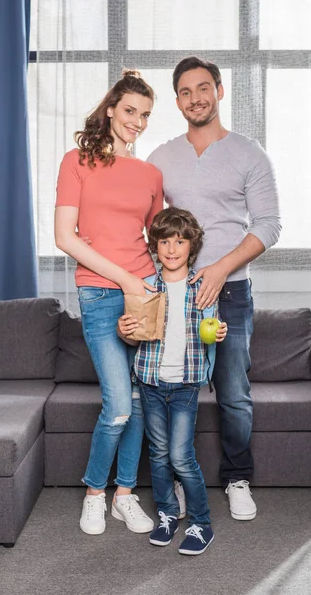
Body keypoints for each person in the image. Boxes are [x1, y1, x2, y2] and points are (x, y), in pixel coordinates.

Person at [146, 57, 282, 522]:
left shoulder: (250, 154)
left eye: (203, 88)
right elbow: (145, 225)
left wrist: (222, 268)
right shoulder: (160, 158)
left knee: (233, 392)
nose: (195, 98)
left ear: (220, 91)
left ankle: (237, 477)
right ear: (178, 100)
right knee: (166, 386)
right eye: (185, 92)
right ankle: (176, 484)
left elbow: (269, 225)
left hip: (229, 293)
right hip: (171, 293)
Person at [54, 69, 164, 536]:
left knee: (139, 400)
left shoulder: (151, 174)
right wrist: (125, 278)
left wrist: (164, 288)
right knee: (118, 403)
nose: (137, 122)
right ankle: (94, 493)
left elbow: (162, 242)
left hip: (144, 292)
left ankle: (124, 494)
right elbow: (64, 237)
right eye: (130, 111)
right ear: (110, 109)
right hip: (100, 292)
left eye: (145, 115)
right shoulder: (76, 161)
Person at [118, 207, 227, 555]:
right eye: (165, 241)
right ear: (155, 245)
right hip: (150, 383)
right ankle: (167, 514)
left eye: (180, 241)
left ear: (191, 245)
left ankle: (201, 523)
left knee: (181, 457)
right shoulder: (147, 288)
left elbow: (211, 330)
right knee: (160, 455)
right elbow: (135, 337)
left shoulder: (201, 286)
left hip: (185, 386)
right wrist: (126, 330)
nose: (172, 248)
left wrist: (218, 331)